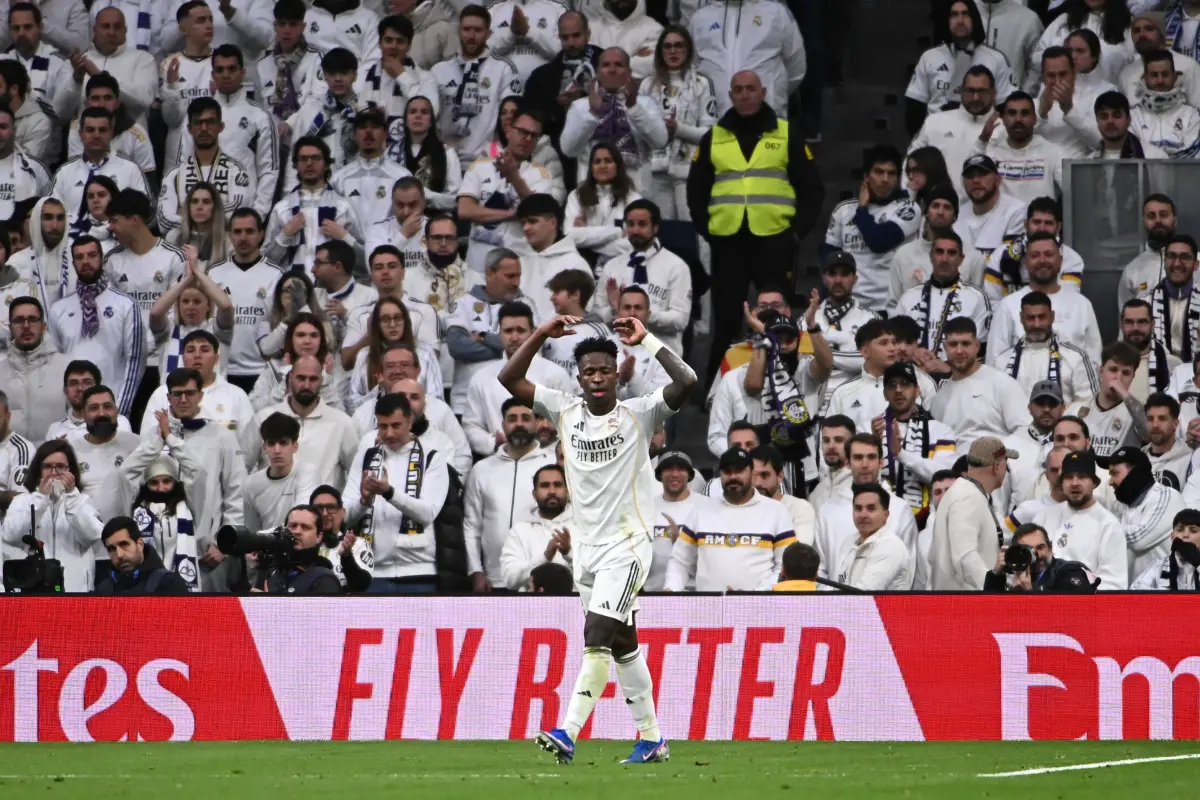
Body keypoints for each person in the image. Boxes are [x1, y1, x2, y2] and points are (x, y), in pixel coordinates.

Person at [500, 301, 696, 763]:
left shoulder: (640, 413)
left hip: (626, 546)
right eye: (589, 371)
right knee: (624, 644)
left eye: (605, 370)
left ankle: (567, 732)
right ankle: (652, 739)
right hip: (586, 549)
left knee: (597, 634)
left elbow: (687, 380)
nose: (597, 378)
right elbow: (509, 378)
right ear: (580, 376)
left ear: (617, 375)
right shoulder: (563, 410)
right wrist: (542, 333)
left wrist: (647, 339)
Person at [689, 69, 824, 382]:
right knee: (726, 320)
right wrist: (709, 231)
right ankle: (715, 387)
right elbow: (696, 190)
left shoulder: (786, 133)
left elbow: (813, 189)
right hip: (728, 241)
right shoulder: (714, 136)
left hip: (774, 240)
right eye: (738, 89)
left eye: (751, 88)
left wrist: (795, 234)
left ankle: (785, 380)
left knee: (778, 318)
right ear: (730, 96)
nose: (745, 94)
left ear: (763, 93)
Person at [136, 371, 247, 590]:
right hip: (159, 549)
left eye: (190, 393)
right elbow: (140, 489)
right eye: (177, 394)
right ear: (168, 397)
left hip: (207, 552)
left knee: (207, 610)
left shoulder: (222, 437)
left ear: (200, 395)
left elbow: (236, 494)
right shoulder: (151, 436)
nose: (183, 399)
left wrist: (223, 544)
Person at [344, 392, 450, 593]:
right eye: (383, 426)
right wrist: (364, 501)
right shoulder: (365, 458)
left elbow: (428, 513)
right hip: (372, 572)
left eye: (396, 425)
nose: (390, 433)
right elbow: (345, 516)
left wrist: (389, 492)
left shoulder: (432, 458)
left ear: (410, 421)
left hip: (419, 572)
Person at [665, 445, 796, 593]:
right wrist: (670, 590)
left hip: (760, 604)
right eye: (727, 471)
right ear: (720, 475)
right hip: (707, 605)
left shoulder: (776, 511)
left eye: (739, 471)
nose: (733, 477)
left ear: (751, 473)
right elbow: (680, 561)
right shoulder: (700, 511)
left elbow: (786, 568)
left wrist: (755, 594)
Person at [465, 398, 556, 591]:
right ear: (503, 424)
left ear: (536, 422)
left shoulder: (552, 466)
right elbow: (472, 525)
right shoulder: (482, 470)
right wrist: (475, 570)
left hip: (539, 580)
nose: (519, 424)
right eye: (512, 419)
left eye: (526, 418)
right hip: (493, 579)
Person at [49, 236, 145, 418]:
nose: (86, 261)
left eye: (91, 255)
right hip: (72, 413)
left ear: (101, 259)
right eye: (79, 257)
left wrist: (119, 412)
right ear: (73, 263)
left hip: (111, 408)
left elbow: (135, 363)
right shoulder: (59, 309)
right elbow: (55, 364)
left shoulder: (126, 305)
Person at [457, 107, 556, 275]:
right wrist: (511, 214)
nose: (527, 139)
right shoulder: (479, 167)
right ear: (509, 130)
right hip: (477, 268)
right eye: (523, 132)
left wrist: (514, 177)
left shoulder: (542, 174)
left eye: (534, 135)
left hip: (518, 269)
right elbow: (464, 211)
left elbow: (538, 212)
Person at [822, 144, 919, 314]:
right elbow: (828, 259)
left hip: (889, 306)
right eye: (879, 172)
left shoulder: (908, 208)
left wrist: (862, 210)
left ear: (897, 179)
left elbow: (879, 241)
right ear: (866, 176)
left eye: (891, 173)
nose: (885, 179)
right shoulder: (843, 210)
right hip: (850, 306)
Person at [1, 439, 103, 591]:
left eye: (60, 466)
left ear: (71, 471)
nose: (54, 472)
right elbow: (10, 535)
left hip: (75, 590)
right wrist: (40, 499)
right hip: (34, 589)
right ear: (38, 470)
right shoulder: (22, 501)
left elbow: (93, 536)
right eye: (47, 466)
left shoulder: (82, 500)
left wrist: (72, 497)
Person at [560, 47, 667, 191]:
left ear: (629, 72)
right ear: (597, 72)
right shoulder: (580, 106)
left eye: (618, 65)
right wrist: (592, 114)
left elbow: (660, 141)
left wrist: (634, 107)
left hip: (636, 191)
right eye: (606, 65)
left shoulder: (645, 103)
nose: (612, 70)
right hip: (592, 193)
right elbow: (568, 150)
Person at [905, 0, 1014, 136]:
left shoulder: (996, 60)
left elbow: (1007, 108)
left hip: (981, 136)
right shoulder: (929, 58)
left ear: (974, 19)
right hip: (937, 137)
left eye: (965, 14)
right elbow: (914, 111)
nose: (960, 20)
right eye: (954, 15)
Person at [639, 25, 715, 221]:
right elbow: (638, 130)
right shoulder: (647, 85)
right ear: (660, 51)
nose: (673, 51)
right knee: (663, 229)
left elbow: (710, 135)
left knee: (691, 228)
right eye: (668, 46)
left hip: (689, 172)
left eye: (679, 45)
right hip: (655, 170)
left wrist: (679, 129)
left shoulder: (702, 83)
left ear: (688, 49)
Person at [446, 253, 537, 412]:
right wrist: (510, 350)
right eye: (510, 276)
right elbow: (457, 347)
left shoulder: (526, 304)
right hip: (466, 401)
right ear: (490, 274)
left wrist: (484, 337)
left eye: (518, 276)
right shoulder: (464, 303)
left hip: (514, 401)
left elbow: (532, 347)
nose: (516, 282)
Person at [431, 5, 523, 162]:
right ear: (459, 31)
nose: (471, 36)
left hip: (487, 161)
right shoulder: (439, 70)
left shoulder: (504, 69)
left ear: (488, 34)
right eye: (466, 29)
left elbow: (512, 120)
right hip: (447, 160)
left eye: (478, 30)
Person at [265, 136, 365, 276]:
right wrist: (284, 236)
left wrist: (344, 237)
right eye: (303, 159)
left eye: (316, 158)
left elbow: (364, 264)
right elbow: (265, 264)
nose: (309, 163)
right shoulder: (282, 209)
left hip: (331, 286)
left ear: (327, 164)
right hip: (294, 285)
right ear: (296, 165)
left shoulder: (342, 207)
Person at [688, 0, 805, 119]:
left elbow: (796, 67)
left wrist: (774, 95)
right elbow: (692, 68)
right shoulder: (700, 18)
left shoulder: (777, 13)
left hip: (767, 117)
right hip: (713, 118)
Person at [875, 361, 958, 525]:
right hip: (881, 520)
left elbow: (944, 477)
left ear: (917, 390)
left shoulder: (940, 431)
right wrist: (874, 447)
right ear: (884, 394)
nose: (898, 390)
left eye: (905, 384)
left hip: (928, 522)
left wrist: (901, 455)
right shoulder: (871, 429)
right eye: (892, 385)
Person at [1032, 449, 1127, 590]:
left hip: (1084, 601)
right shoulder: (1043, 517)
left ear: (1094, 483)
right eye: (1069, 477)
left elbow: (1114, 584)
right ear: (1061, 483)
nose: (1075, 483)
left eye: (1082, 477)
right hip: (1041, 599)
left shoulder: (1109, 525)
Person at [928, 436, 1014, 590]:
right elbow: (964, 555)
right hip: (965, 600)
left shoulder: (969, 492)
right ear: (996, 467)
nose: (1006, 470)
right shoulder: (967, 497)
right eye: (1005, 463)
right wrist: (989, 586)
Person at [929, 317, 1030, 449]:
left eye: (966, 344)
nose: (959, 351)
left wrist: (999, 455)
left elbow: (1025, 431)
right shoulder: (939, 399)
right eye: (953, 344)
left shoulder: (1002, 384)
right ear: (945, 348)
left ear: (977, 345)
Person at [158, 99, 255, 234]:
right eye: (198, 123)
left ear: (221, 127)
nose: (204, 128)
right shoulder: (175, 174)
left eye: (210, 122)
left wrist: (186, 214)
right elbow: (163, 221)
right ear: (189, 129)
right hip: (184, 244)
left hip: (222, 243)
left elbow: (238, 213)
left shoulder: (237, 170)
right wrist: (216, 216)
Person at [894, 229, 992, 361]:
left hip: (957, 372)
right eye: (939, 252)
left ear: (961, 259)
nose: (945, 259)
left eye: (951, 253)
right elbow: (895, 344)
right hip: (914, 370)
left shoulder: (976, 298)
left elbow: (980, 349)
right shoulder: (909, 297)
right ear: (931, 257)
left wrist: (946, 368)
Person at [988, 290, 1098, 405]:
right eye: (1031, 318)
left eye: (1042, 317)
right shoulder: (1002, 362)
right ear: (1021, 318)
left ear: (1052, 317)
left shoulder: (1076, 358)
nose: (1037, 324)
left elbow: (1089, 404)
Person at [50, 108, 152, 231]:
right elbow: (51, 214)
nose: (96, 135)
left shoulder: (131, 169)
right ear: (81, 134)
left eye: (102, 130)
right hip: (73, 239)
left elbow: (145, 214)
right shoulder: (64, 172)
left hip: (118, 239)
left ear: (111, 133)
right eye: (90, 130)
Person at [51, 7, 157, 126]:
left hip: (130, 136)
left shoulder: (143, 59)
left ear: (125, 31)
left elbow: (145, 101)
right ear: (94, 30)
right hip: (85, 136)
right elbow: (60, 112)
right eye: (106, 26)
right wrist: (76, 80)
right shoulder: (76, 63)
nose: (111, 32)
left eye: (117, 27)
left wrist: (99, 76)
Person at [907, 66, 997, 200]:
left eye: (981, 91)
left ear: (993, 93)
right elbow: (909, 164)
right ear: (960, 91)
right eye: (970, 91)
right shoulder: (935, 122)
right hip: (938, 208)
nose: (975, 97)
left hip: (987, 208)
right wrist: (909, 199)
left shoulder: (1006, 128)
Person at [355, 14, 440, 140]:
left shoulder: (425, 77)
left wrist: (402, 76)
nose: (393, 46)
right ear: (380, 43)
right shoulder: (361, 76)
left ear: (409, 45)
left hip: (410, 148)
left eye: (400, 41)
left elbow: (432, 112)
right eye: (388, 40)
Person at [972, 91, 1064, 207]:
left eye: (1025, 113)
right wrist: (982, 140)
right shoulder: (991, 151)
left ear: (1035, 119)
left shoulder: (1053, 152)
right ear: (1003, 119)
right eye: (1012, 113)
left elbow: (1074, 191)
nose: (1018, 119)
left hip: (1039, 218)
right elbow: (970, 179)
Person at [511, 193, 592, 324]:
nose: (525, 228)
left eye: (532, 221)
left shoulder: (575, 264)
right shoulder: (520, 262)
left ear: (553, 222)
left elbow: (580, 313)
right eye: (523, 223)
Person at [983, 196, 1085, 299]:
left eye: (1048, 223)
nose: (1042, 228)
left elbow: (1066, 300)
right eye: (1036, 222)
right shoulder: (1000, 255)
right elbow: (992, 301)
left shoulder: (1072, 260)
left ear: (1058, 227)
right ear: (1026, 224)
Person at [0, 297, 70, 443]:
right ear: (10, 327)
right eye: (19, 320)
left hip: (53, 456)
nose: (26, 326)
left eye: (32, 319)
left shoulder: (67, 368)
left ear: (43, 326)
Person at [331, 109, 414, 232]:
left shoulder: (402, 176)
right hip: (348, 243)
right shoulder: (338, 178)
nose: (368, 132)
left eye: (375, 127)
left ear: (385, 134)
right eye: (363, 127)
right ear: (354, 134)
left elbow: (409, 221)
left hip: (391, 243)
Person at [67, 384, 139, 523]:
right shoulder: (71, 450)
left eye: (107, 406)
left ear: (116, 411)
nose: (101, 413)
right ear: (83, 414)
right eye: (94, 408)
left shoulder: (136, 445)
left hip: (128, 531)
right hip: (85, 531)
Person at [1066, 342, 1148, 462]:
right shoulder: (1075, 410)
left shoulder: (1137, 413)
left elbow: (1151, 435)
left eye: (1126, 373)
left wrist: (1125, 395)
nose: (1118, 378)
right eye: (1113, 370)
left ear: (1133, 377)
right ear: (1101, 371)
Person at [498, 463, 573, 591]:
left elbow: (595, 575)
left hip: (577, 602)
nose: (552, 491)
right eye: (545, 485)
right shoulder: (519, 530)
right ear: (534, 493)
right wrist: (544, 557)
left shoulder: (583, 525)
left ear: (567, 490)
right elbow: (510, 579)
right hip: (532, 603)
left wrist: (568, 553)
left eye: (557, 485)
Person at [243, 412, 320, 532]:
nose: (277, 450)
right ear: (264, 448)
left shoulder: (307, 473)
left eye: (283, 443)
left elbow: (299, 521)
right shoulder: (251, 484)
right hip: (264, 544)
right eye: (271, 443)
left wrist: (263, 537)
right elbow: (251, 531)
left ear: (295, 446)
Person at [563, 143, 641, 260]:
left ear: (617, 166)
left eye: (608, 161)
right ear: (591, 168)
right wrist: (617, 232)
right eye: (597, 161)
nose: (602, 166)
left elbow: (632, 244)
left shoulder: (633, 199)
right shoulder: (576, 196)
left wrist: (585, 239)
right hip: (584, 263)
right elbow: (570, 236)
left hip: (621, 263)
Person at [1033, 43, 1112, 159]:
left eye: (1063, 74)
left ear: (1074, 73)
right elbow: (1016, 141)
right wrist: (1041, 114)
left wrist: (1070, 110)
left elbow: (1105, 142)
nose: (1057, 81)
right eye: (1051, 75)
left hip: (1077, 167)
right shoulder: (1032, 105)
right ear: (1043, 77)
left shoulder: (1093, 100)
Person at [813, 253, 880, 388]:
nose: (838, 280)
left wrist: (822, 353)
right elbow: (802, 363)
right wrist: (850, 358)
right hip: (814, 394)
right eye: (832, 274)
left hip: (856, 394)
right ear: (824, 279)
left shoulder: (871, 319)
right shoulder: (808, 319)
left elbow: (873, 360)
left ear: (855, 279)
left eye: (844, 274)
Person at [255, 0, 326, 126]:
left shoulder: (317, 59)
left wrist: (290, 124)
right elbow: (258, 109)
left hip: (305, 130)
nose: (287, 30)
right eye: (282, 24)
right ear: (275, 26)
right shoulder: (262, 65)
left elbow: (318, 102)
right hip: (271, 132)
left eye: (293, 24)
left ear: (303, 27)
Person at [834, 481, 914, 591]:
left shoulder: (890, 546)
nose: (863, 515)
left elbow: (863, 595)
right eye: (858, 508)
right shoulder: (848, 542)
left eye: (871, 508)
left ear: (886, 515)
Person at [983, 521, 1098, 592]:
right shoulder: (1015, 576)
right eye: (1028, 550)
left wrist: (1030, 590)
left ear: (1050, 547)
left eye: (1040, 547)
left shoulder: (1070, 571)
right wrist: (995, 575)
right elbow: (989, 611)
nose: (1037, 554)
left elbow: (1072, 610)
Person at [93, 516, 191, 595]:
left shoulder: (169, 584)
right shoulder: (102, 590)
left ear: (140, 544)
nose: (119, 554)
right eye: (111, 549)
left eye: (124, 544)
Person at [1130, 49, 1200, 159]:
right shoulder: (1132, 117)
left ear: (1175, 77)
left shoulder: (1192, 115)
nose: (1160, 81)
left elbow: (1193, 157)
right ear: (1145, 78)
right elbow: (1132, 155)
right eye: (1154, 75)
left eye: (1165, 74)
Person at [0, 3, 73, 107]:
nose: (21, 33)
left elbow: (60, 112)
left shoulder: (57, 64)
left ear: (40, 27)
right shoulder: (2, 62)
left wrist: (30, 92)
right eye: (16, 28)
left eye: (27, 27)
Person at [261, 504, 343, 594]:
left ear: (318, 537)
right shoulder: (272, 570)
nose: (297, 532)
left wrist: (269, 601)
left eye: (305, 527)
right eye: (293, 526)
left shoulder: (324, 578)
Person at [955, 153, 1026, 259]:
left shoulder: (1016, 212)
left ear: (998, 179)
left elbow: (1008, 260)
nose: (976, 180)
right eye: (970, 176)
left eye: (982, 174)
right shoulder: (958, 214)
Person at [398, 97, 463, 210]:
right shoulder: (393, 152)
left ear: (431, 121)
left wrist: (427, 196)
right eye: (413, 112)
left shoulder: (447, 153)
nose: (418, 116)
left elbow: (456, 200)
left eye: (424, 112)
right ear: (406, 120)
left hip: (435, 217)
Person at [309, 485, 373, 592]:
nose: (324, 513)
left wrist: (346, 557)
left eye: (331, 507)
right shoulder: (302, 544)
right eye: (318, 508)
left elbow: (361, 585)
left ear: (342, 512)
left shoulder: (359, 544)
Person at [1119, 193, 1176, 310]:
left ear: (1175, 219)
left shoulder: (1197, 263)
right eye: (1151, 216)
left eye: (1163, 215)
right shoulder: (1132, 271)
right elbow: (1126, 318)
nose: (1158, 220)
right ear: (1144, 221)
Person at [750, 444, 815, 543]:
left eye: (764, 475)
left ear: (780, 476)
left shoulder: (799, 508)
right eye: (752, 475)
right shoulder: (741, 509)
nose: (757, 482)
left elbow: (799, 549)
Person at [1121, 298, 1179, 401]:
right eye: (1129, 322)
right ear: (1121, 326)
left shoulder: (1173, 366)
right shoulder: (1108, 364)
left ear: (1152, 325)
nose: (1135, 328)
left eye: (1142, 322)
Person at [1131, 507, 1200, 590]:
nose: (1185, 535)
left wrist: (1196, 562)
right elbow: (1135, 592)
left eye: (1193, 530)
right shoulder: (1158, 566)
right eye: (1180, 529)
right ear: (1172, 536)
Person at [1089, 90, 1170, 159]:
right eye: (1103, 116)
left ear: (1129, 120)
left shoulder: (1154, 157)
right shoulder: (1089, 163)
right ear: (1097, 121)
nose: (1110, 121)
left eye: (1117, 115)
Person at [1143, 393, 1191, 489]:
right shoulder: (1138, 460)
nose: (1155, 425)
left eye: (1162, 419)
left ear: (1175, 424)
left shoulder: (1190, 459)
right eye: (1150, 419)